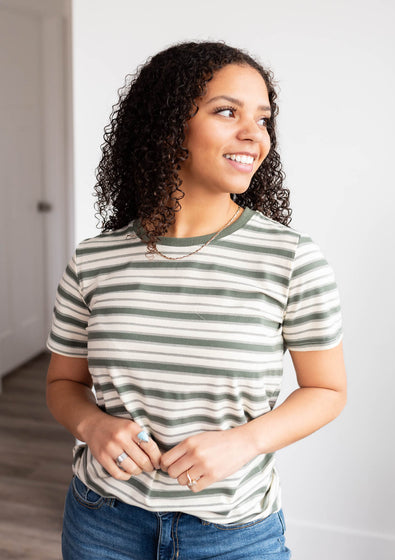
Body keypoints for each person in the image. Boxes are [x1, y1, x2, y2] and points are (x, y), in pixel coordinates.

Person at [46, 41, 347, 560]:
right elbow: (63, 383)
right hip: (102, 523)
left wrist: (245, 442)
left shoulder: (291, 258)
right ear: (167, 127)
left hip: (234, 534)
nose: (254, 135)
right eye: (227, 112)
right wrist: (92, 424)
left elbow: (326, 389)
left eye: (263, 119)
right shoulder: (95, 260)